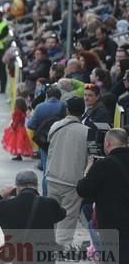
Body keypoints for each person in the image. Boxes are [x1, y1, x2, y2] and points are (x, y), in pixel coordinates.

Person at [0, 170, 66, 264]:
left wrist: (0, 195)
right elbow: (62, 213)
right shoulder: (49, 204)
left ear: (17, 187)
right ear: (37, 185)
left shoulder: (6, 205)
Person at [77, 128, 129, 264]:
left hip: (112, 224)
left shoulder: (103, 165)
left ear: (108, 143)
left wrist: (87, 170)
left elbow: (83, 190)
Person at [45, 97, 92, 250]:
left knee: (51, 211)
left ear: (67, 110)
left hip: (52, 176)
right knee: (69, 214)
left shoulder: (55, 126)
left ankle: (49, 242)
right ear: (83, 111)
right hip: (72, 180)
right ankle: (62, 244)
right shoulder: (87, 132)